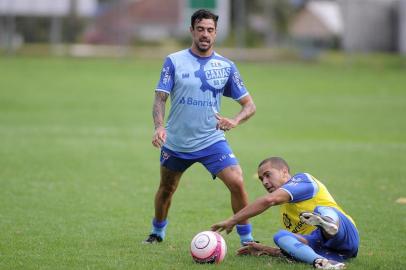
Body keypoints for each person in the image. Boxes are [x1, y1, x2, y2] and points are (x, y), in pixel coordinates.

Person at [143, 9, 256, 245]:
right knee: (167, 188)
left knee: (237, 181)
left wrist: (234, 120)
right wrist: (159, 126)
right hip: (176, 141)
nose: (205, 34)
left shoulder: (226, 66)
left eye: (210, 30)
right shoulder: (173, 61)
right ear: (192, 31)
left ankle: (247, 240)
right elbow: (160, 97)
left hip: (211, 140)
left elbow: (249, 105)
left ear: (215, 33)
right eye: (201, 29)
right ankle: (157, 231)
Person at [211, 157, 359, 269]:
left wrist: (233, 220)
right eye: (262, 179)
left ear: (284, 172)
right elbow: (295, 250)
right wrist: (265, 249)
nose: (264, 182)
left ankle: (328, 223)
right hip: (325, 248)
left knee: (322, 210)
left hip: (345, 234)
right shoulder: (285, 215)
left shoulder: (303, 180)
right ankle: (321, 262)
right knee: (281, 236)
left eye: (268, 175)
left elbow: (269, 200)